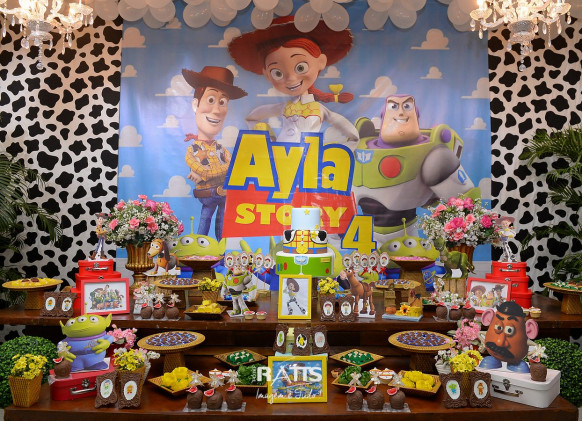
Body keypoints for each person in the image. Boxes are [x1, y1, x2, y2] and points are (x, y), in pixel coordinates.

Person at [227, 16, 358, 143]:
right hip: (280, 155)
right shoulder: (285, 107)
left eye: (301, 67)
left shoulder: (318, 109)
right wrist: (268, 139)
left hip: (309, 156)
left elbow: (353, 137)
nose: (291, 79)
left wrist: (341, 151)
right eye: (277, 73)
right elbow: (251, 118)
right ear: (267, 75)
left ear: (321, 62)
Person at [182, 66, 248, 241]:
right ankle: (200, 250)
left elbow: (233, 167)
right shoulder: (193, 150)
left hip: (224, 194)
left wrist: (215, 171)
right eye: (211, 99)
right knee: (205, 221)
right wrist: (223, 168)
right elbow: (207, 172)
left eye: (223, 102)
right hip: (207, 194)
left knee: (222, 224)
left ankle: (221, 252)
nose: (217, 110)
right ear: (196, 104)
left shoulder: (221, 149)